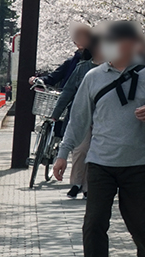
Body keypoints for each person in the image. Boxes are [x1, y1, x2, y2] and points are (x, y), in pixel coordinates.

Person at [53, 20, 145, 257]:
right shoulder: (93, 77)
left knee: (142, 226)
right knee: (94, 224)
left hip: (140, 163)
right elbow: (77, 120)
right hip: (101, 163)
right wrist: (62, 155)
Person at [51, 35, 104, 199]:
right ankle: (76, 183)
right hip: (82, 114)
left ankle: (88, 186)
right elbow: (67, 91)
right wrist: (56, 113)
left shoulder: (112, 70)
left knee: (95, 151)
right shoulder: (82, 68)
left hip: (103, 117)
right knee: (81, 149)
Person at [33, 24, 93, 89]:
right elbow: (53, 77)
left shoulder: (95, 61)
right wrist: (38, 80)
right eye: (78, 38)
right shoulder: (71, 61)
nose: (81, 41)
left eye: (84, 37)